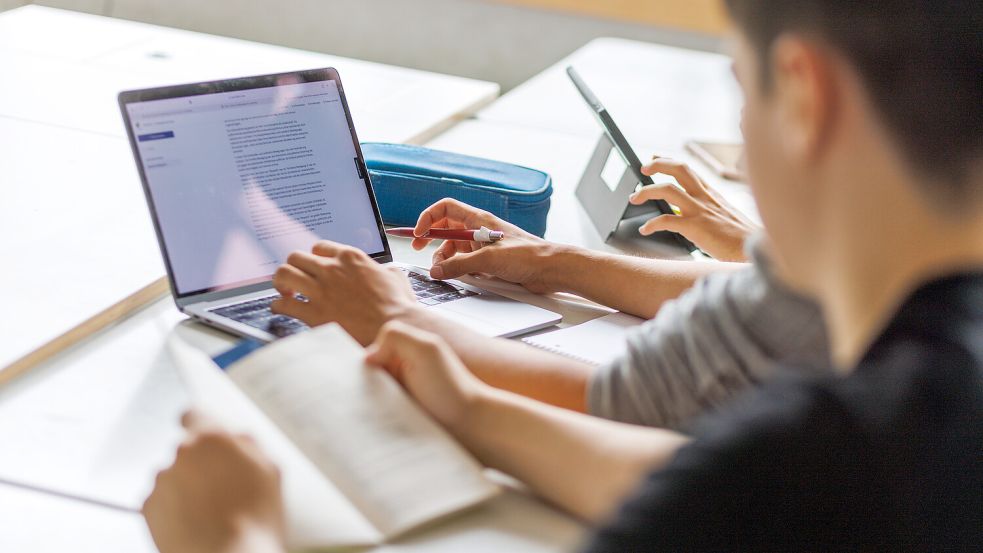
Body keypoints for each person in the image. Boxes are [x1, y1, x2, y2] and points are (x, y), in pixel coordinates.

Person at [146, 0, 983, 549]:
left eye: (741, 89)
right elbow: (686, 474)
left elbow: (736, 488)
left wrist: (233, 534)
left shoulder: (839, 457)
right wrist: (472, 408)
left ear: (803, 95)